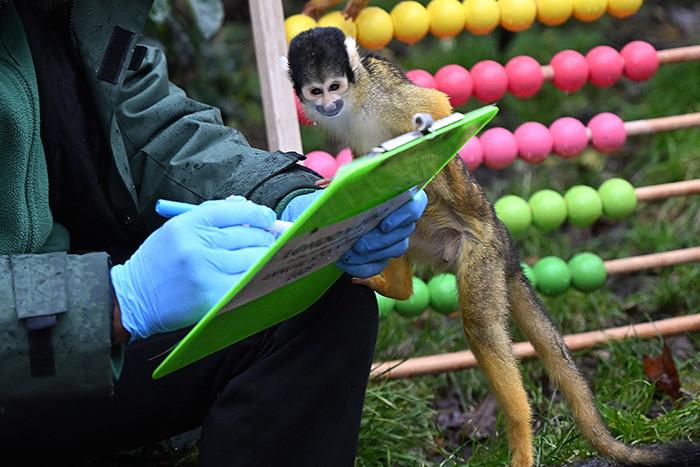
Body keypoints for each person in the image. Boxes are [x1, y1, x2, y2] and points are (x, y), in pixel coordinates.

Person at [0, 1, 427, 465]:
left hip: (72, 329)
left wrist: (293, 203)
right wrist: (110, 303)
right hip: (28, 352)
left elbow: (157, 129)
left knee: (314, 300)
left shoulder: (80, 12)